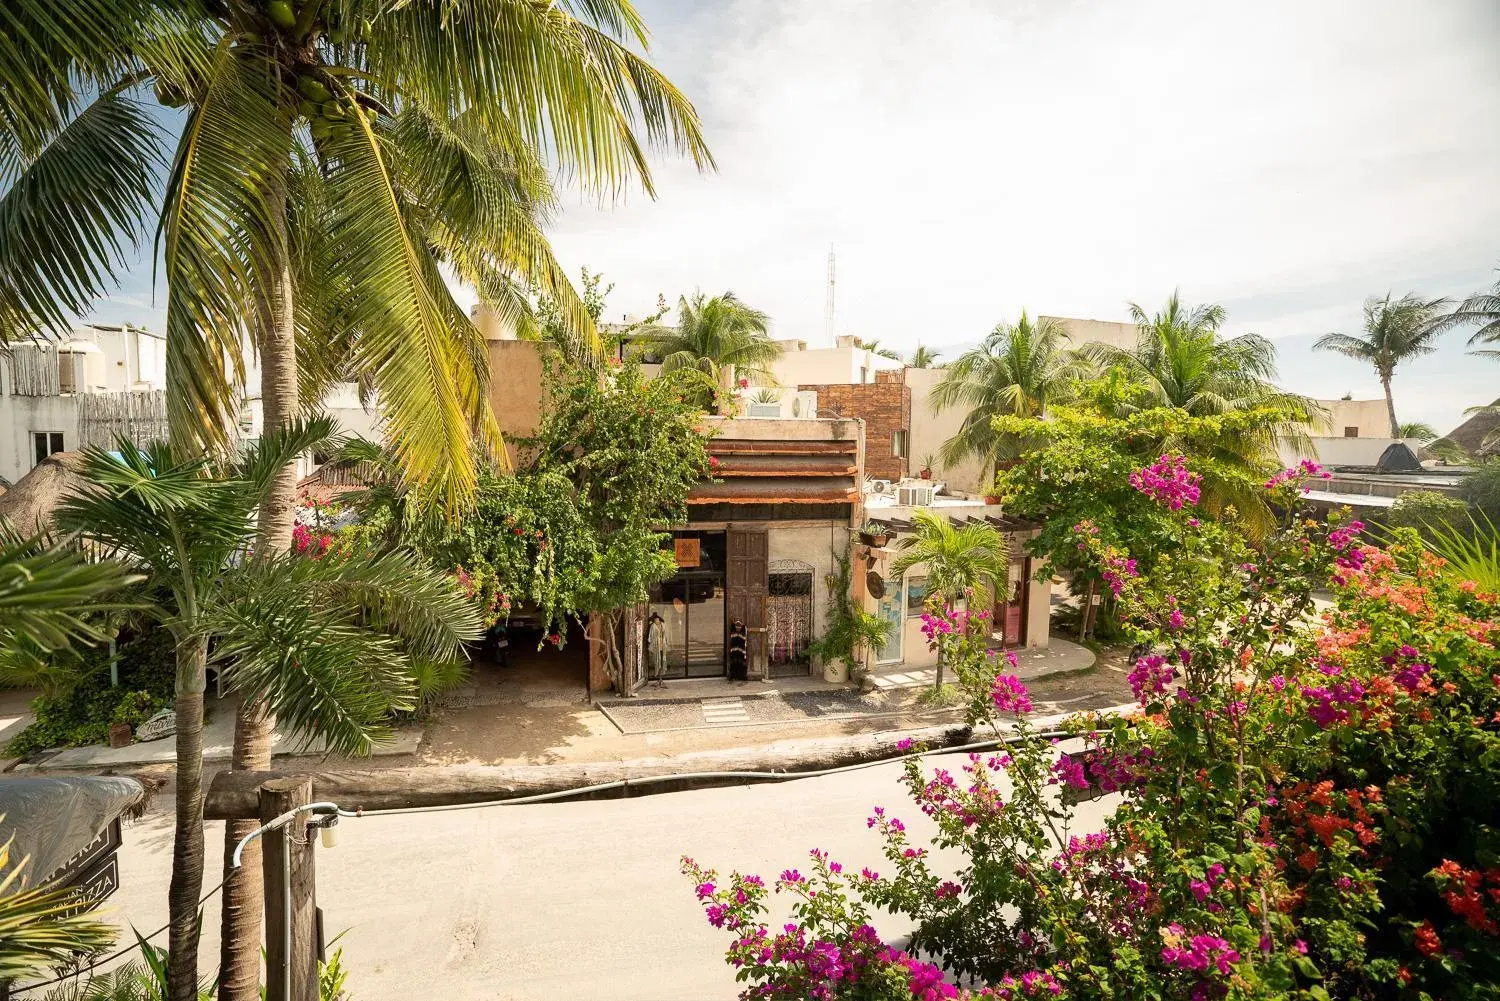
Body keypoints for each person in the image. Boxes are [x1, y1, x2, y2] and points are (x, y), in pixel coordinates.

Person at [647, 612, 668, 688]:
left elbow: (666, 635)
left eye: (657, 619)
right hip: (656, 646)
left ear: (659, 619)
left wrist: (666, 642)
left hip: (663, 645)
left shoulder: (663, 625)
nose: (656, 620)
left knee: (663, 661)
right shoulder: (653, 626)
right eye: (655, 620)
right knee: (657, 661)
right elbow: (650, 636)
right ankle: (659, 680)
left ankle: (661, 679)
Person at [727, 619, 748, 683]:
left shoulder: (742, 629)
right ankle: (737, 675)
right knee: (736, 661)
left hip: (737, 650)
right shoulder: (741, 629)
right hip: (738, 650)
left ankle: (738, 675)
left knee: (737, 661)